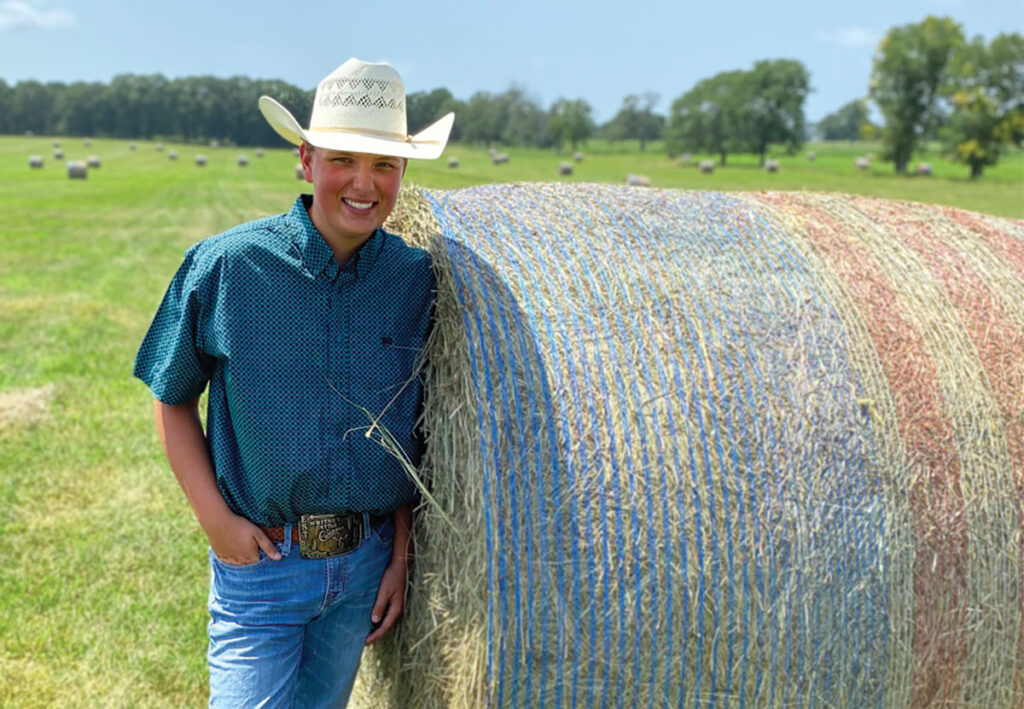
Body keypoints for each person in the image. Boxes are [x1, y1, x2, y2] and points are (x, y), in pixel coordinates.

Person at [133, 58, 454, 707]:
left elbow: (407, 426)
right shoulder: (227, 267)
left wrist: (398, 554)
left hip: (362, 571)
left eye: (385, 165)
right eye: (344, 160)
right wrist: (216, 522)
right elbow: (171, 398)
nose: (364, 183)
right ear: (306, 160)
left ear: (403, 174)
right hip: (263, 569)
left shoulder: (416, 279)